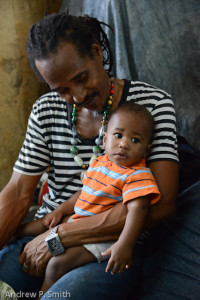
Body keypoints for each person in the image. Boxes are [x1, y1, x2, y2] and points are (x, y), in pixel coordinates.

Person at [0, 11, 179, 299]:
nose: (79, 95)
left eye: (81, 78)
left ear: (96, 51)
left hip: (105, 248)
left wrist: (60, 237)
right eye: (63, 90)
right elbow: (19, 192)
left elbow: (162, 204)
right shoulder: (46, 110)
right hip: (44, 234)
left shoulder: (151, 104)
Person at [17, 103, 161, 295]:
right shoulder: (101, 162)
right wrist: (61, 209)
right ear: (105, 138)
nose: (124, 144)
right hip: (78, 223)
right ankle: (15, 233)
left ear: (146, 150)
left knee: (57, 264)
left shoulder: (137, 174)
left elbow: (138, 210)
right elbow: (85, 191)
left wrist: (125, 245)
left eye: (135, 140)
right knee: (45, 223)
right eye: (118, 135)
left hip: (105, 237)